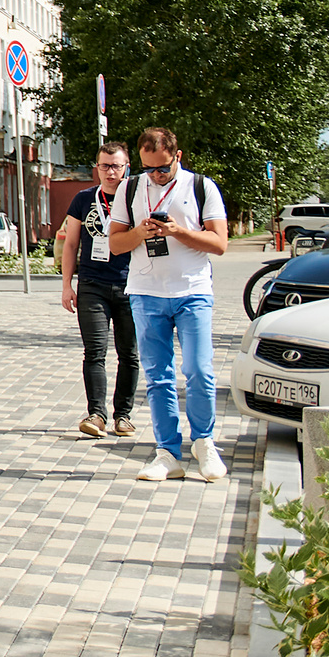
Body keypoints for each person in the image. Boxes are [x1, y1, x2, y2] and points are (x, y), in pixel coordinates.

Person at [107, 128, 230, 483]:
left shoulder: (201, 187)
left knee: (199, 371)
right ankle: (167, 453)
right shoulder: (130, 189)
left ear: (177, 157)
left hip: (192, 291)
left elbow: (219, 243)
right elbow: (116, 245)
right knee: (158, 378)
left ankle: (204, 443)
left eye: (162, 168)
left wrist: (178, 232)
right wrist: (140, 233)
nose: (156, 175)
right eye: (148, 168)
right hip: (146, 292)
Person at [56, 142, 139, 438]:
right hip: (92, 285)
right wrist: (67, 285)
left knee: (129, 354)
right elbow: (70, 243)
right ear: (97, 167)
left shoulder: (136, 197)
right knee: (95, 352)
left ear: (127, 167)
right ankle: (97, 414)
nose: (110, 172)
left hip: (131, 285)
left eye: (116, 166)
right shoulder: (84, 198)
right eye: (105, 166)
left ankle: (124, 415)